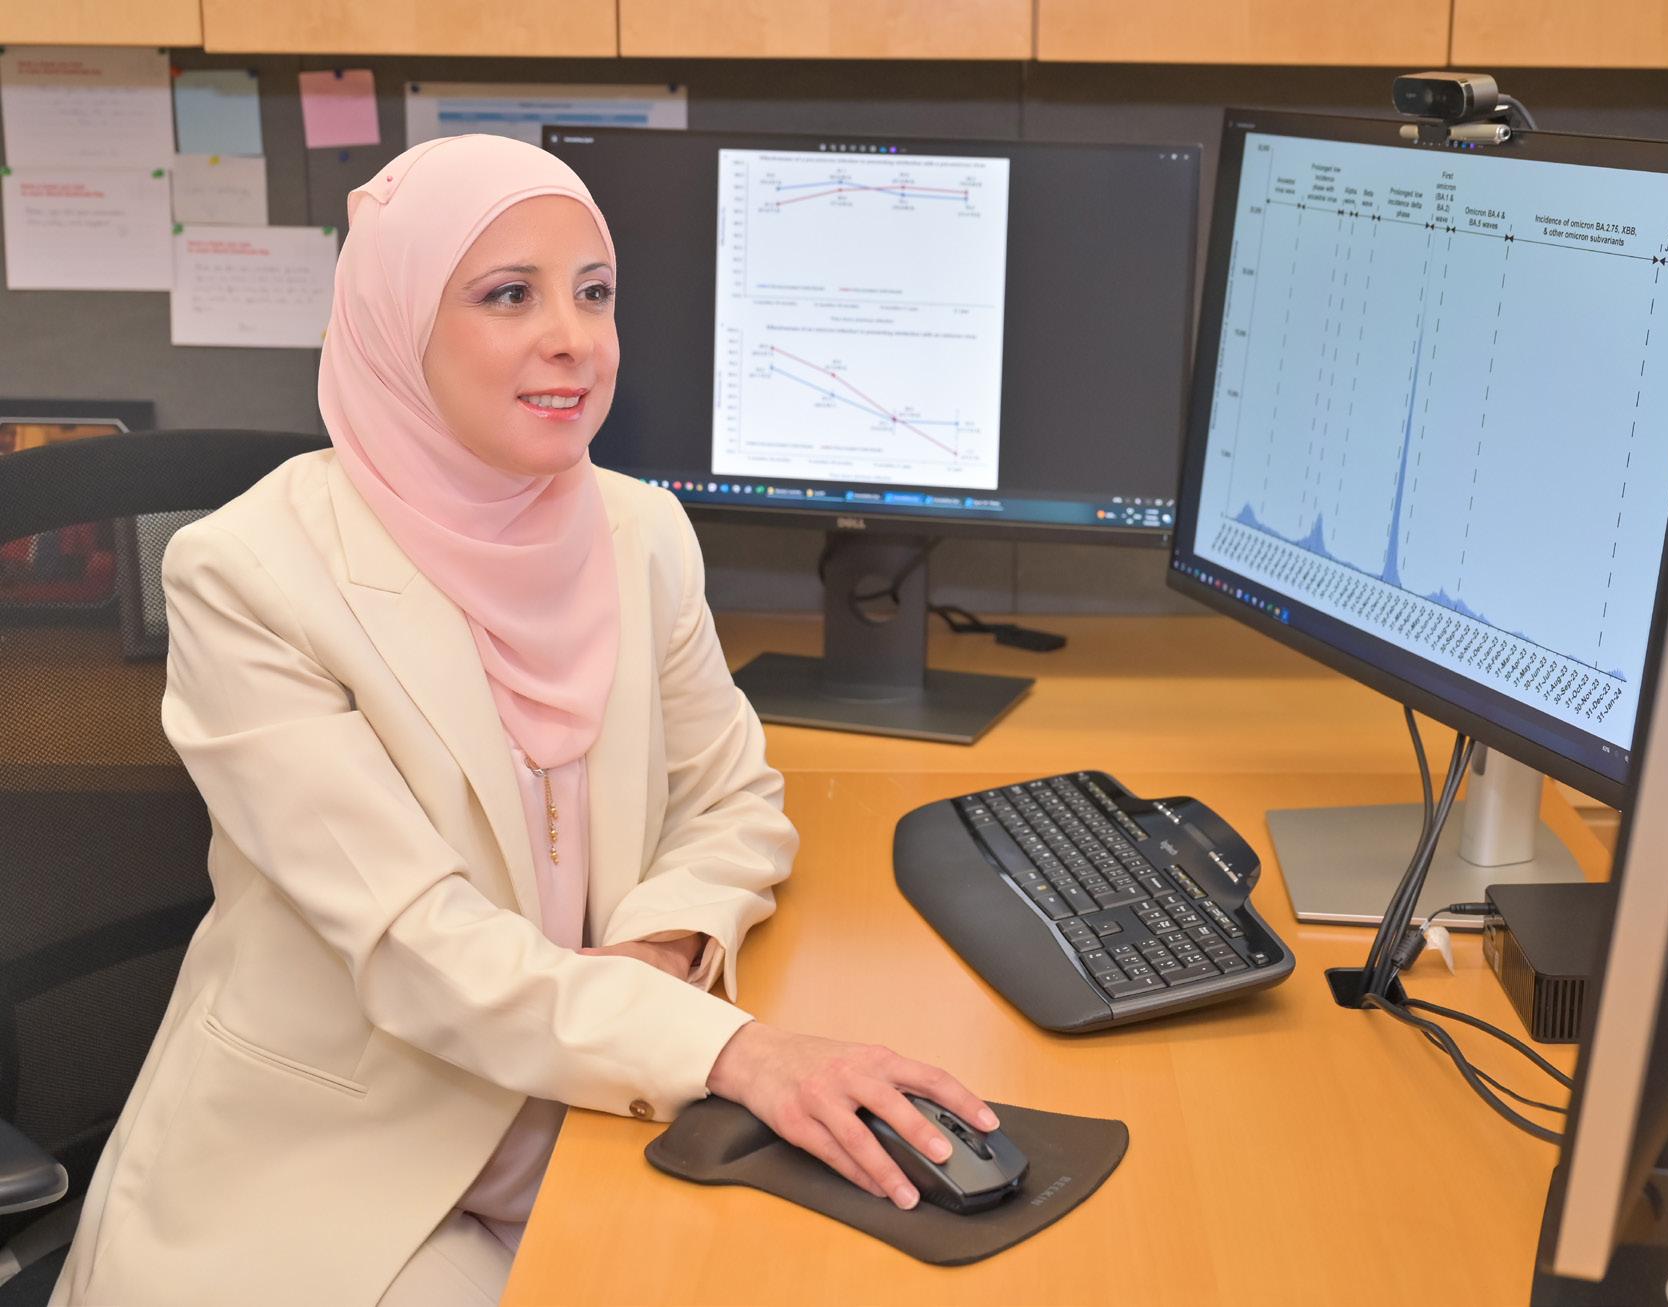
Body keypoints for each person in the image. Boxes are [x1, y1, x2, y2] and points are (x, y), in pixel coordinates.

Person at [50, 134, 997, 1307]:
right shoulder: (249, 574)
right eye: (509, 295)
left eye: (594, 293)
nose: (573, 338)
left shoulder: (639, 532)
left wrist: (662, 947)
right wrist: (727, 1045)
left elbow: (731, 799)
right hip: (347, 1161)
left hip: (599, 1096)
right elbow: (415, 943)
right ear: (400, 324)